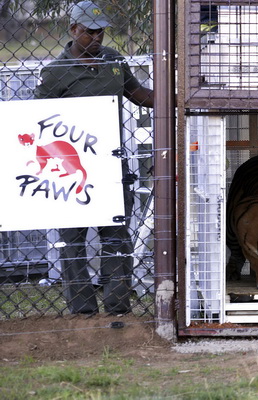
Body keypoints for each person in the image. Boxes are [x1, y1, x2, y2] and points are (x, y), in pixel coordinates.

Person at [34, 1, 154, 315]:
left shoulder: (114, 61)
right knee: (74, 241)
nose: (97, 37)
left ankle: (117, 306)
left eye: (100, 32)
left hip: (110, 165)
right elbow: (36, 122)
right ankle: (83, 310)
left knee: (115, 236)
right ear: (73, 30)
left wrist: (176, 94)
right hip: (71, 171)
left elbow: (138, 93)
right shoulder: (56, 74)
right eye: (90, 32)